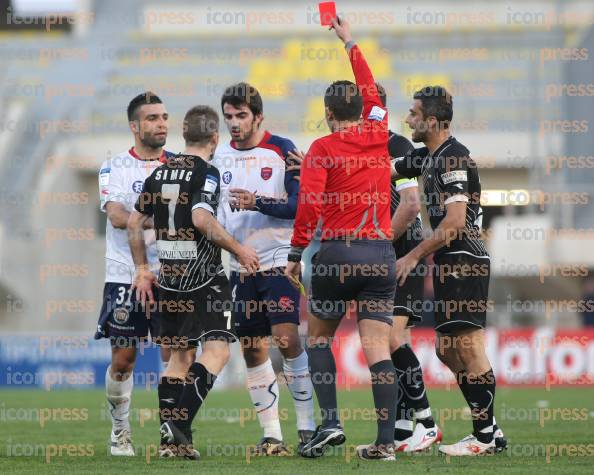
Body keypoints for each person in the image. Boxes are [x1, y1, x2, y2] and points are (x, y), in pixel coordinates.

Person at [286, 17, 399, 461]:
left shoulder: (322, 149)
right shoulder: (379, 133)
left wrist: (296, 253)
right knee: (376, 349)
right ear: (365, 110)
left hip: (336, 253)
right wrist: (348, 39)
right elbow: (371, 87)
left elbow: (310, 206)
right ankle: (386, 444)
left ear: (329, 114)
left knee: (317, 341)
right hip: (379, 253)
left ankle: (331, 423)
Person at [128, 105, 259, 460]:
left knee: (178, 359)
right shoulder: (208, 172)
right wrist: (238, 248)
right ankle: (180, 422)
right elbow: (202, 219)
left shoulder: (159, 173)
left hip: (170, 277)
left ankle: (171, 445)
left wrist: (142, 268)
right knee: (217, 351)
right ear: (215, 138)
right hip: (205, 278)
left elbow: (133, 222)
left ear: (183, 137)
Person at [393, 86, 507, 455]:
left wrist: (413, 256)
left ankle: (485, 436)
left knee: (468, 345)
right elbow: (379, 166)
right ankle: (489, 427)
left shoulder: (454, 157)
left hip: (464, 259)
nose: (407, 119)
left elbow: (455, 222)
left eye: (413, 113)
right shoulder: (427, 156)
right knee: (446, 349)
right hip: (448, 261)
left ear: (432, 120)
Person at [213, 82, 315, 455]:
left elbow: (299, 207)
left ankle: (307, 426)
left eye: (241, 116)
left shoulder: (283, 150)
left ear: (258, 116)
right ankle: (272, 434)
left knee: (287, 338)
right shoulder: (219, 157)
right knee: (252, 349)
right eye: (228, 117)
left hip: (278, 260)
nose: (234, 123)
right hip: (241, 266)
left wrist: (258, 202)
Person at [95, 92, 172, 456]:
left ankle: (175, 433)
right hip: (125, 274)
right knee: (124, 359)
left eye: (165, 117)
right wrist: (164, 221)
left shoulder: (180, 167)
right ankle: (120, 429)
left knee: (176, 354)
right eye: (154, 118)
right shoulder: (113, 167)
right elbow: (117, 216)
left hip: (173, 275)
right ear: (135, 126)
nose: (162, 124)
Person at [377, 83, 441, 452]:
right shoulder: (356, 150)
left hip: (402, 257)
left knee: (390, 339)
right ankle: (403, 428)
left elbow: (410, 204)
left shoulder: (397, 147)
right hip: (384, 259)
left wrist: (379, 244)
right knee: (393, 343)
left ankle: (427, 422)